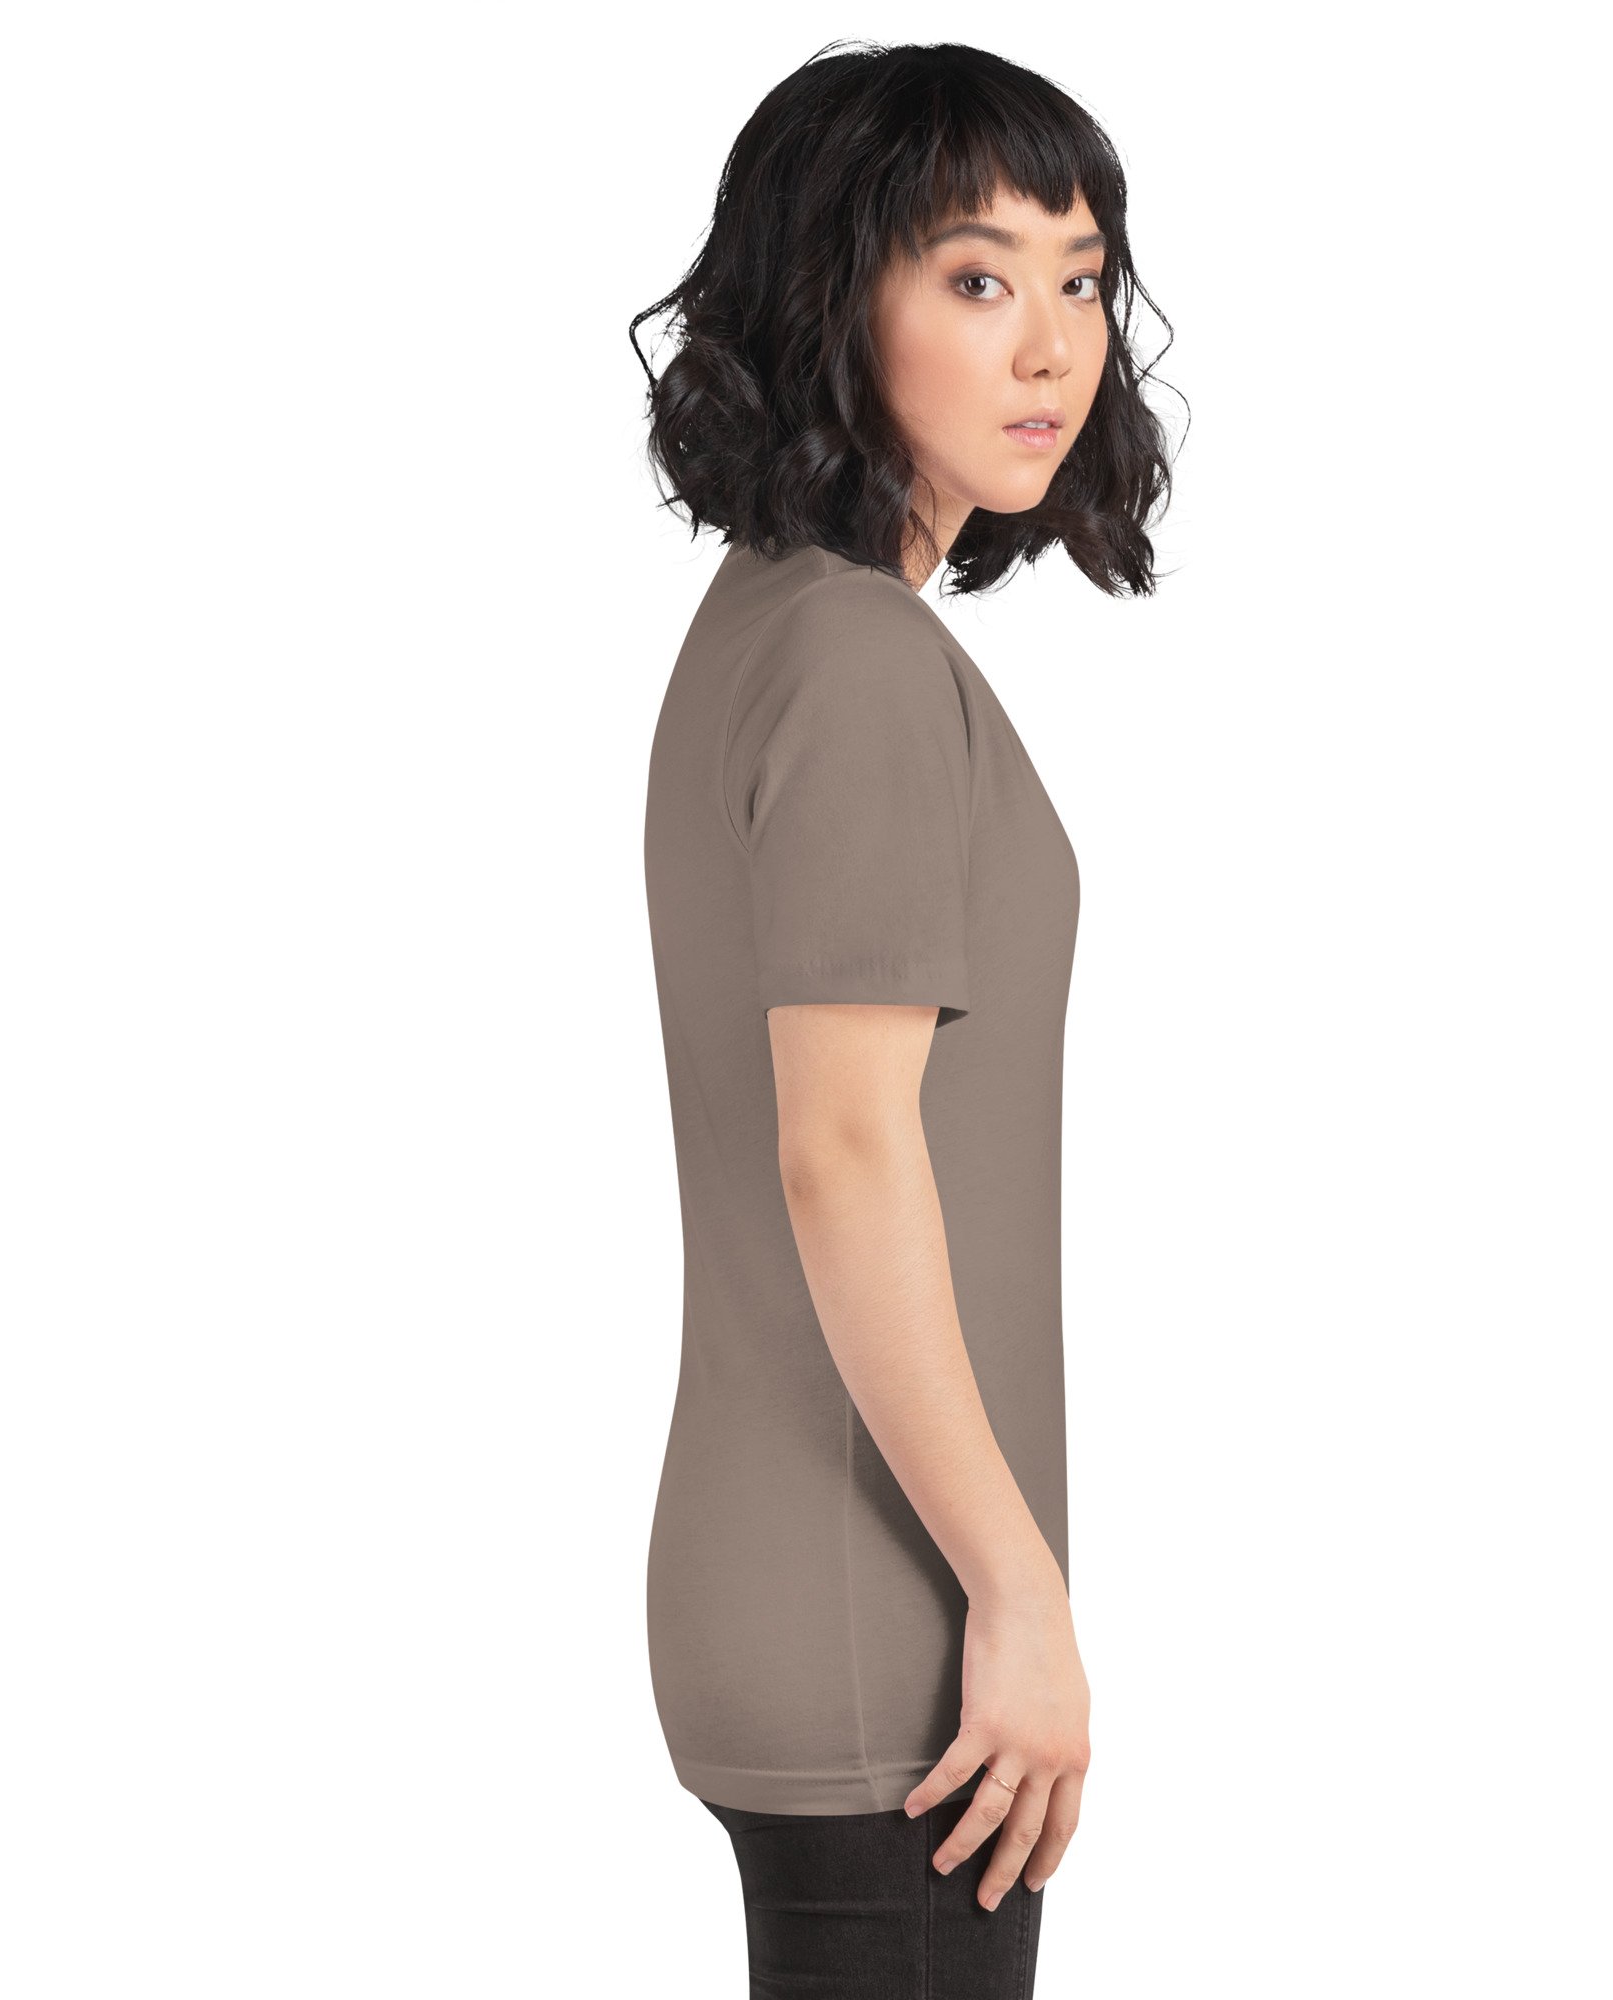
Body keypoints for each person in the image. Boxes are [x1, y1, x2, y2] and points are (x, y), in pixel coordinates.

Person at [630, 39, 1174, 1996]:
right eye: (974, 275)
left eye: (1081, 278)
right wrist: (1016, 1591)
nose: (1050, 343)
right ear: (827, 298)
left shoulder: (778, 623)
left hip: (825, 1593)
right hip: (893, 1627)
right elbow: (842, 1146)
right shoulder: (854, 661)